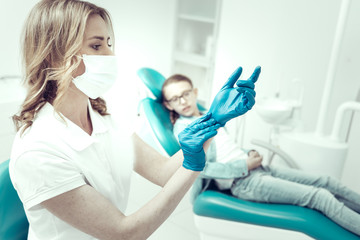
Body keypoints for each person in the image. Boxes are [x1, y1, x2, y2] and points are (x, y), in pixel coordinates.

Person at [8, 1, 259, 239]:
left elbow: (163, 172)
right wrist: (193, 165)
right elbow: (125, 233)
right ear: (55, 57)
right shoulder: (37, 152)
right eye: (96, 47)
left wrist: (213, 121)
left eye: (109, 43)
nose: (110, 54)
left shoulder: (103, 119)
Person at [161, 73, 360, 236]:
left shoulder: (209, 115)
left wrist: (249, 154)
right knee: (320, 197)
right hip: (242, 181)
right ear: (169, 105)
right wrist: (244, 166)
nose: (183, 101)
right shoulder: (183, 131)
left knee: (327, 181)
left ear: (195, 92)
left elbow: (225, 150)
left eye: (185, 93)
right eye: (175, 98)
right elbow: (201, 169)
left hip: (257, 168)